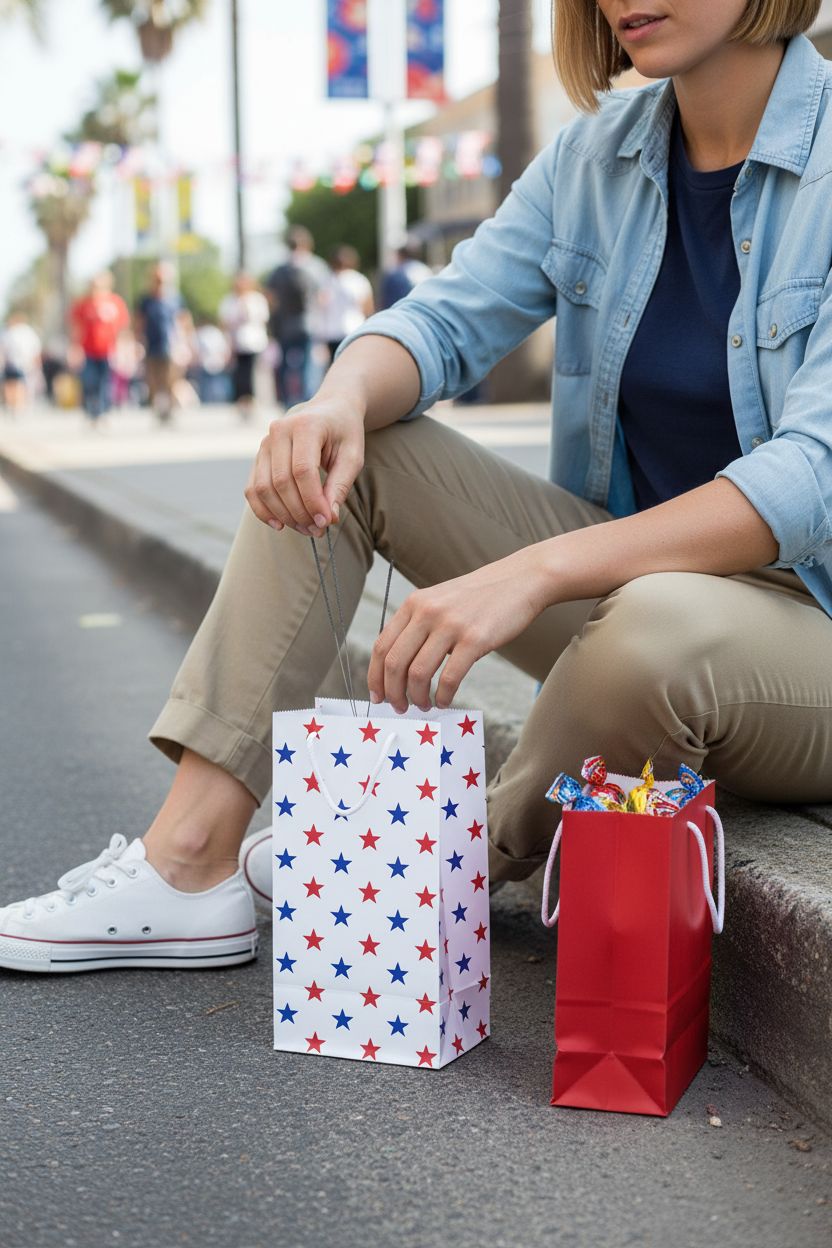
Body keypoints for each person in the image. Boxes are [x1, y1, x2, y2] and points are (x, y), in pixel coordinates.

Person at [5, 2, 832, 973]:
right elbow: (445, 318)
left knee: (653, 627)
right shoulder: (595, 159)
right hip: (639, 601)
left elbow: (808, 475)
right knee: (349, 451)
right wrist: (337, 400)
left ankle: (443, 861)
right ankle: (188, 862)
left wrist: (534, 570)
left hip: (799, 636)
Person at [265, 225, 327, 407]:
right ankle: (307, 398)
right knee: (308, 363)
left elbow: (270, 297)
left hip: (285, 324)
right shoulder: (316, 266)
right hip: (309, 322)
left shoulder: (279, 269)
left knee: (284, 362)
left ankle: (286, 399)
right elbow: (323, 297)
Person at [70, 272, 129, 424]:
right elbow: (77, 328)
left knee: (105, 382)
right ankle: (91, 411)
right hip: (88, 350)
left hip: (108, 350)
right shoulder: (83, 304)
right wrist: (75, 348)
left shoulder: (115, 302)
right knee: (90, 381)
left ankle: (102, 411)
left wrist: (123, 349)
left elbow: (122, 328)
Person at [135, 262, 183, 424]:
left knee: (170, 380)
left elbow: (182, 321)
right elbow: (139, 323)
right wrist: (137, 343)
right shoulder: (146, 300)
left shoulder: (175, 299)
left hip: (170, 345)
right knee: (153, 381)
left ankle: (169, 410)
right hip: (151, 346)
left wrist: (185, 343)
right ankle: (158, 409)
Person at [219, 272, 271, 416]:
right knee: (239, 375)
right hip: (237, 344)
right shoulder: (230, 300)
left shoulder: (256, 299)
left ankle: (252, 401)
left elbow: (262, 318)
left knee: (252, 374)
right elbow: (226, 322)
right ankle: (241, 401)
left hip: (253, 343)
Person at [320, 245, 374, 363]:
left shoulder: (327, 281)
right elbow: (367, 307)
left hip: (332, 332)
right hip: (354, 329)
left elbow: (322, 306)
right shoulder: (358, 280)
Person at [1, 312, 41, 413]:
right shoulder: (9, 332)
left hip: (20, 363)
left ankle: (16, 405)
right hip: (14, 363)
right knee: (13, 384)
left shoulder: (21, 332)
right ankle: (14, 405)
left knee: (17, 384)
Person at [379, 239, 432, 310]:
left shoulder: (396, 273)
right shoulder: (425, 270)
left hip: (404, 314)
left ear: (400, 255)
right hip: (426, 312)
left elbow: (388, 303)